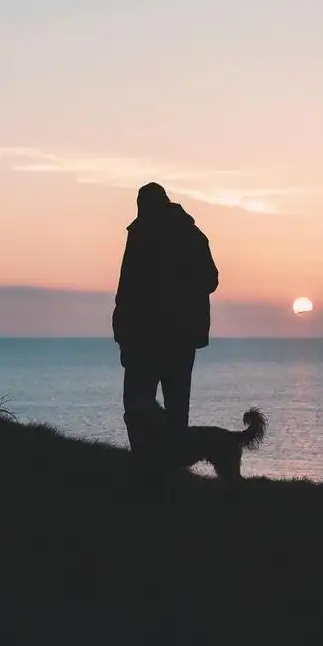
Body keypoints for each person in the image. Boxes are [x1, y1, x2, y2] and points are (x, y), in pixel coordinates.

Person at [112, 182, 219, 461]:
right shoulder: (192, 235)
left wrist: (123, 332)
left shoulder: (142, 233)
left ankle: (149, 468)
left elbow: (128, 289)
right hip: (177, 338)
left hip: (148, 337)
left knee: (140, 406)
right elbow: (210, 280)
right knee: (174, 409)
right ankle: (167, 471)